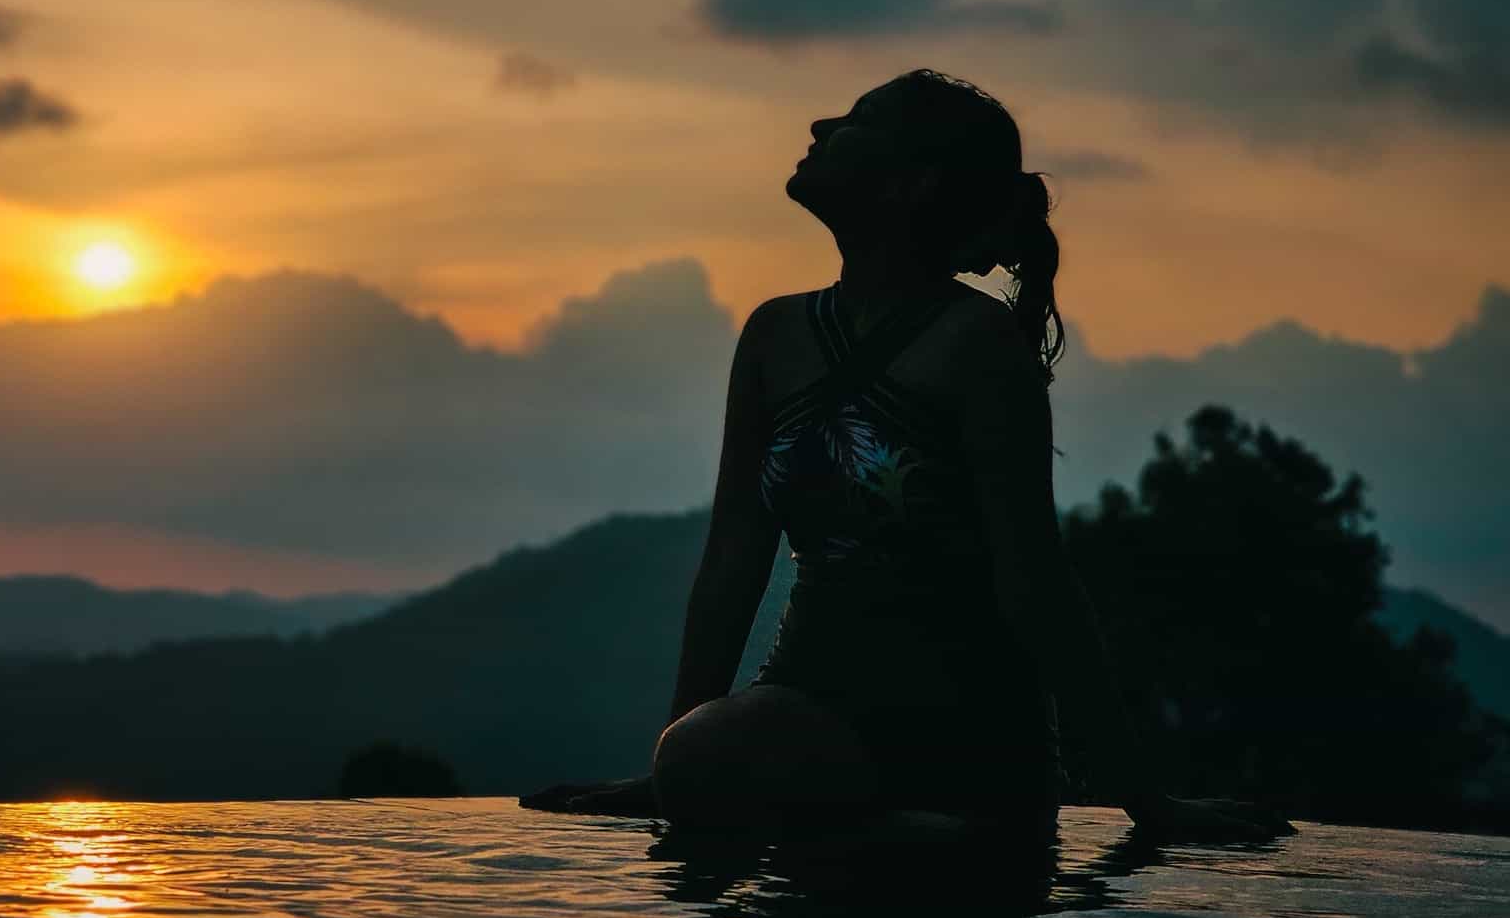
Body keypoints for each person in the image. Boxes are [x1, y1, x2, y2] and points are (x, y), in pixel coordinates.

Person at [523, 69, 1291, 843]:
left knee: (748, 787)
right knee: (712, 763)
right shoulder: (773, 337)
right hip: (801, 724)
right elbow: (733, 558)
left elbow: (1034, 577)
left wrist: (1144, 799)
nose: (822, 126)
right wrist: (670, 766)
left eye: (856, 120)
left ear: (910, 184)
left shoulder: (978, 346)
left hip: (953, 739)